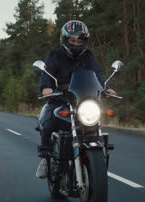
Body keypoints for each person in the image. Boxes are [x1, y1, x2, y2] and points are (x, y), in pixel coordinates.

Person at [36, 20, 117, 179]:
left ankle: (98, 159)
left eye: (80, 41)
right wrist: (46, 88)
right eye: (72, 40)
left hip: (83, 100)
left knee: (96, 119)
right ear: (65, 40)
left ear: (85, 41)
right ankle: (46, 158)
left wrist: (106, 87)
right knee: (47, 119)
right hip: (60, 98)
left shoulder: (88, 56)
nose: (76, 44)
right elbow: (47, 73)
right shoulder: (55, 55)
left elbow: (98, 73)